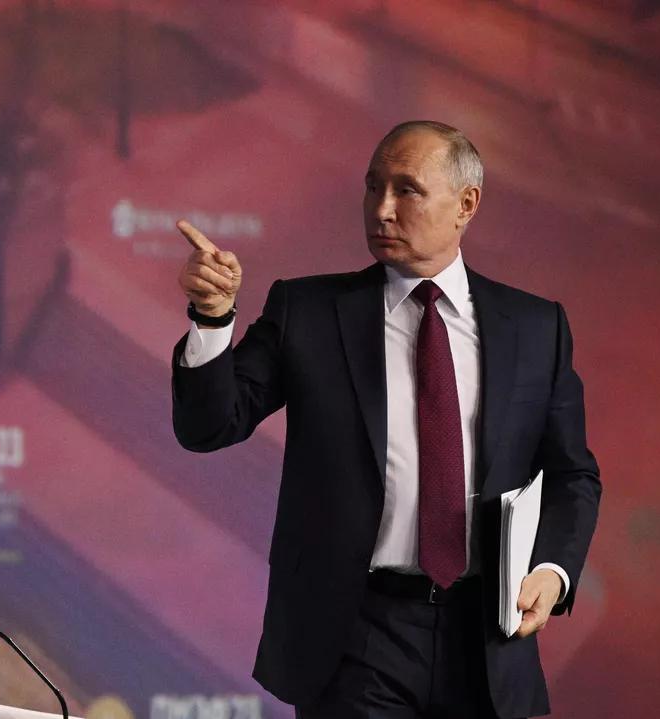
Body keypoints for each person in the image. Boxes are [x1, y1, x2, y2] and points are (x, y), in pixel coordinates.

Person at [170, 121, 601, 718]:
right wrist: (213, 319)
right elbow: (209, 426)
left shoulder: (536, 327)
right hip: (354, 635)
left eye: (407, 189)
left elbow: (573, 475)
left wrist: (552, 571)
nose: (382, 208)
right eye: (373, 187)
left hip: (488, 638)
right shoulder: (308, 312)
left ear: (466, 204)